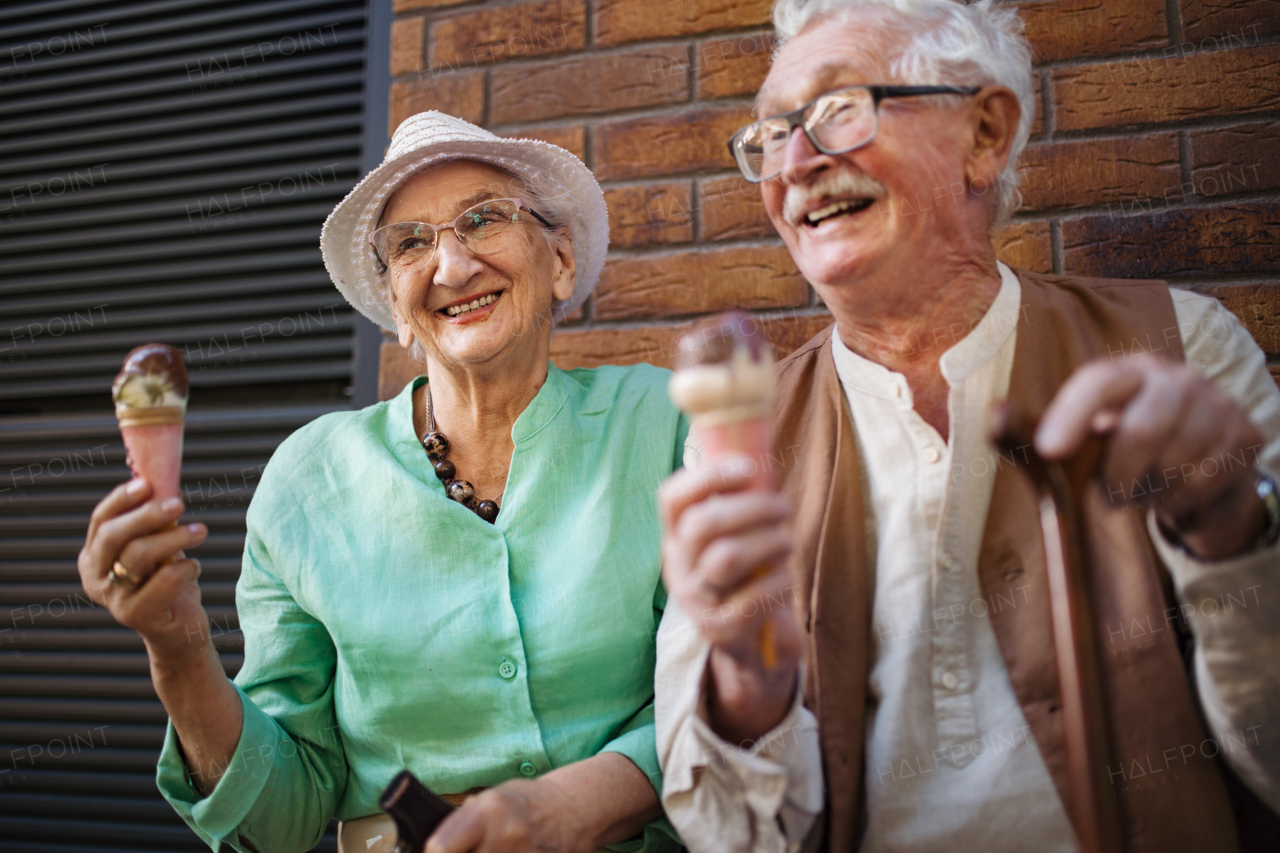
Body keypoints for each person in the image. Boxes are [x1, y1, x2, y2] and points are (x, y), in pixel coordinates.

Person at [653, 1, 1280, 851]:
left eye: (840, 110)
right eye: (770, 133)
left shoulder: (1184, 349)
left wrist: (1231, 532)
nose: (794, 162)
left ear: (984, 134)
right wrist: (749, 685)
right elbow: (731, 837)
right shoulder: (742, 442)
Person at [78, 112, 687, 853]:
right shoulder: (308, 481)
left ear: (559, 257)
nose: (453, 266)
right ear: (396, 306)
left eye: (484, 219)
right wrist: (177, 650)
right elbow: (283, 816)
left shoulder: (665, 426)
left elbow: (740, 690)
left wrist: (575, 806)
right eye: (411, 244)